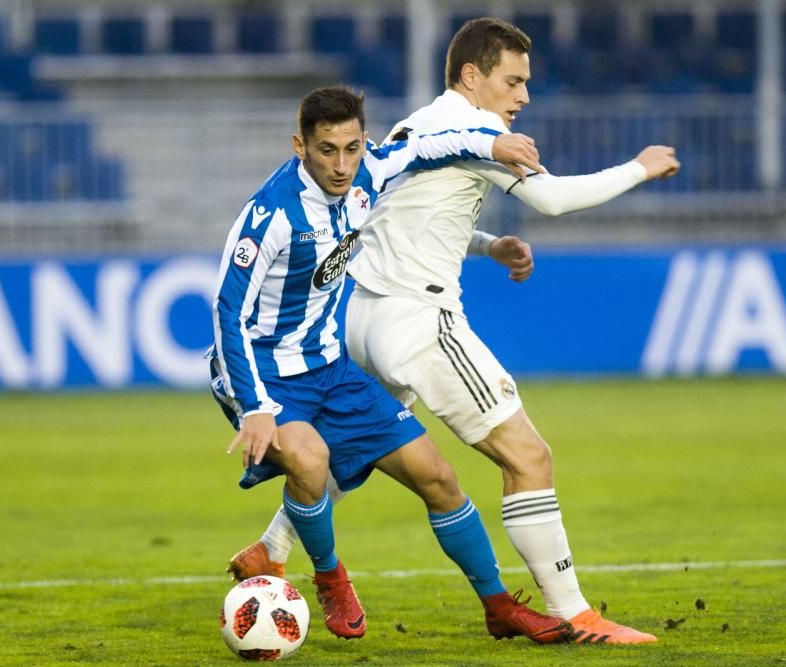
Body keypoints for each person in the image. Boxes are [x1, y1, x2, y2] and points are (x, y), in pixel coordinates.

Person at [228, 19, 680, 645]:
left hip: (357, 314)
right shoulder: (480, 131)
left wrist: (487, 244)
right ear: (473, 75)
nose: (522, 96)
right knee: (528, 456)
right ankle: (578, 614)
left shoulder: (416, 124)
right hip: (418, 319)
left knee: (370, 443)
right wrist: (638, 167)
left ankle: (273, 548)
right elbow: (552, 200)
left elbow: (388, 219)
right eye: (513, 80)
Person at [209, 85, 575, 644]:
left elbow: (432, 144)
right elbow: (227, 312)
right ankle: (331, 577)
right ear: (299, 146)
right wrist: (255, 408)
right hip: (264, 373)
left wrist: (495, 143)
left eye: (351, 148)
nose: (341, 164)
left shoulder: (369, 172)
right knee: (310, 460)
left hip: (328, 365)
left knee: (439, 476)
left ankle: (498, 605)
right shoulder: (271, 215)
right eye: (327, 150)